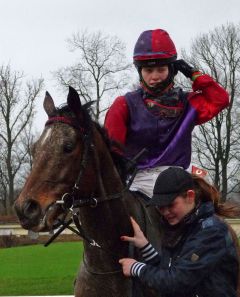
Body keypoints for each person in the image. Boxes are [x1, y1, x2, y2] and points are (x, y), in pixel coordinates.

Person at [104, 28, 229, 197]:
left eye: (161, 69)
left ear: (172, 70)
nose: (155, 76)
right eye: (148, 71)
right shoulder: (123, 105)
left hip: (178, 177)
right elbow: (112, 153)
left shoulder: (189, 103)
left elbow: (220, 99)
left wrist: (193, 74)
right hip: (139, 181)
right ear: (140, 72)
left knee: (208, 201)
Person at [119, 167, 240, 297]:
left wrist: (136, 268)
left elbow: (177, 281)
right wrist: (145, 247)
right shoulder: (182, 225)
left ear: (190, 196)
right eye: (160, 207)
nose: (165, 212)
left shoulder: (212, 231)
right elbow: (170, 270)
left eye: (170, 205)